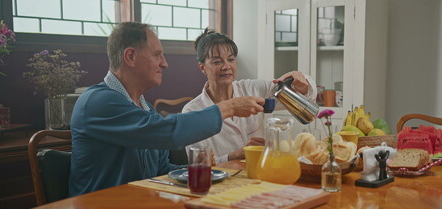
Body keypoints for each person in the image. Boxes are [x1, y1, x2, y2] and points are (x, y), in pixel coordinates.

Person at [69, 23, 265, 196]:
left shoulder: (144, 108)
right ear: (130, 56)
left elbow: (163, 169)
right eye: (157, 55)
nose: (165, 63)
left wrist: (214, 167)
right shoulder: (98, 102)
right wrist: (228, 107)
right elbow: (167, 132)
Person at [182, 29, 317, 163]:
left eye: (231, 59)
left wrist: (301, 82)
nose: (226, 66)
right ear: (202, 67)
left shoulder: (253, 89)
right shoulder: (192, 111)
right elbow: (198, 163)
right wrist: (233, 156)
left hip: (260, 172)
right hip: (220, 181)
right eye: (217, 62)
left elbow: (307, 98)